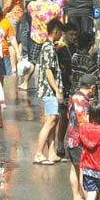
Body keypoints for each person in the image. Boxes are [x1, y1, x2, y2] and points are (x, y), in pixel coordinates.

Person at [35, 19, 64, 164]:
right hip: (49, 90)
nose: (61, 35)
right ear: (56, 31)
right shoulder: (49, 48)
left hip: (50, 90)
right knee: (51, 120)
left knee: (53, 122)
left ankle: (51, 153)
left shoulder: (50, 46)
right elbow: (48, 72)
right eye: (60, 32)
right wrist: (57, 91)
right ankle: (39, 153)